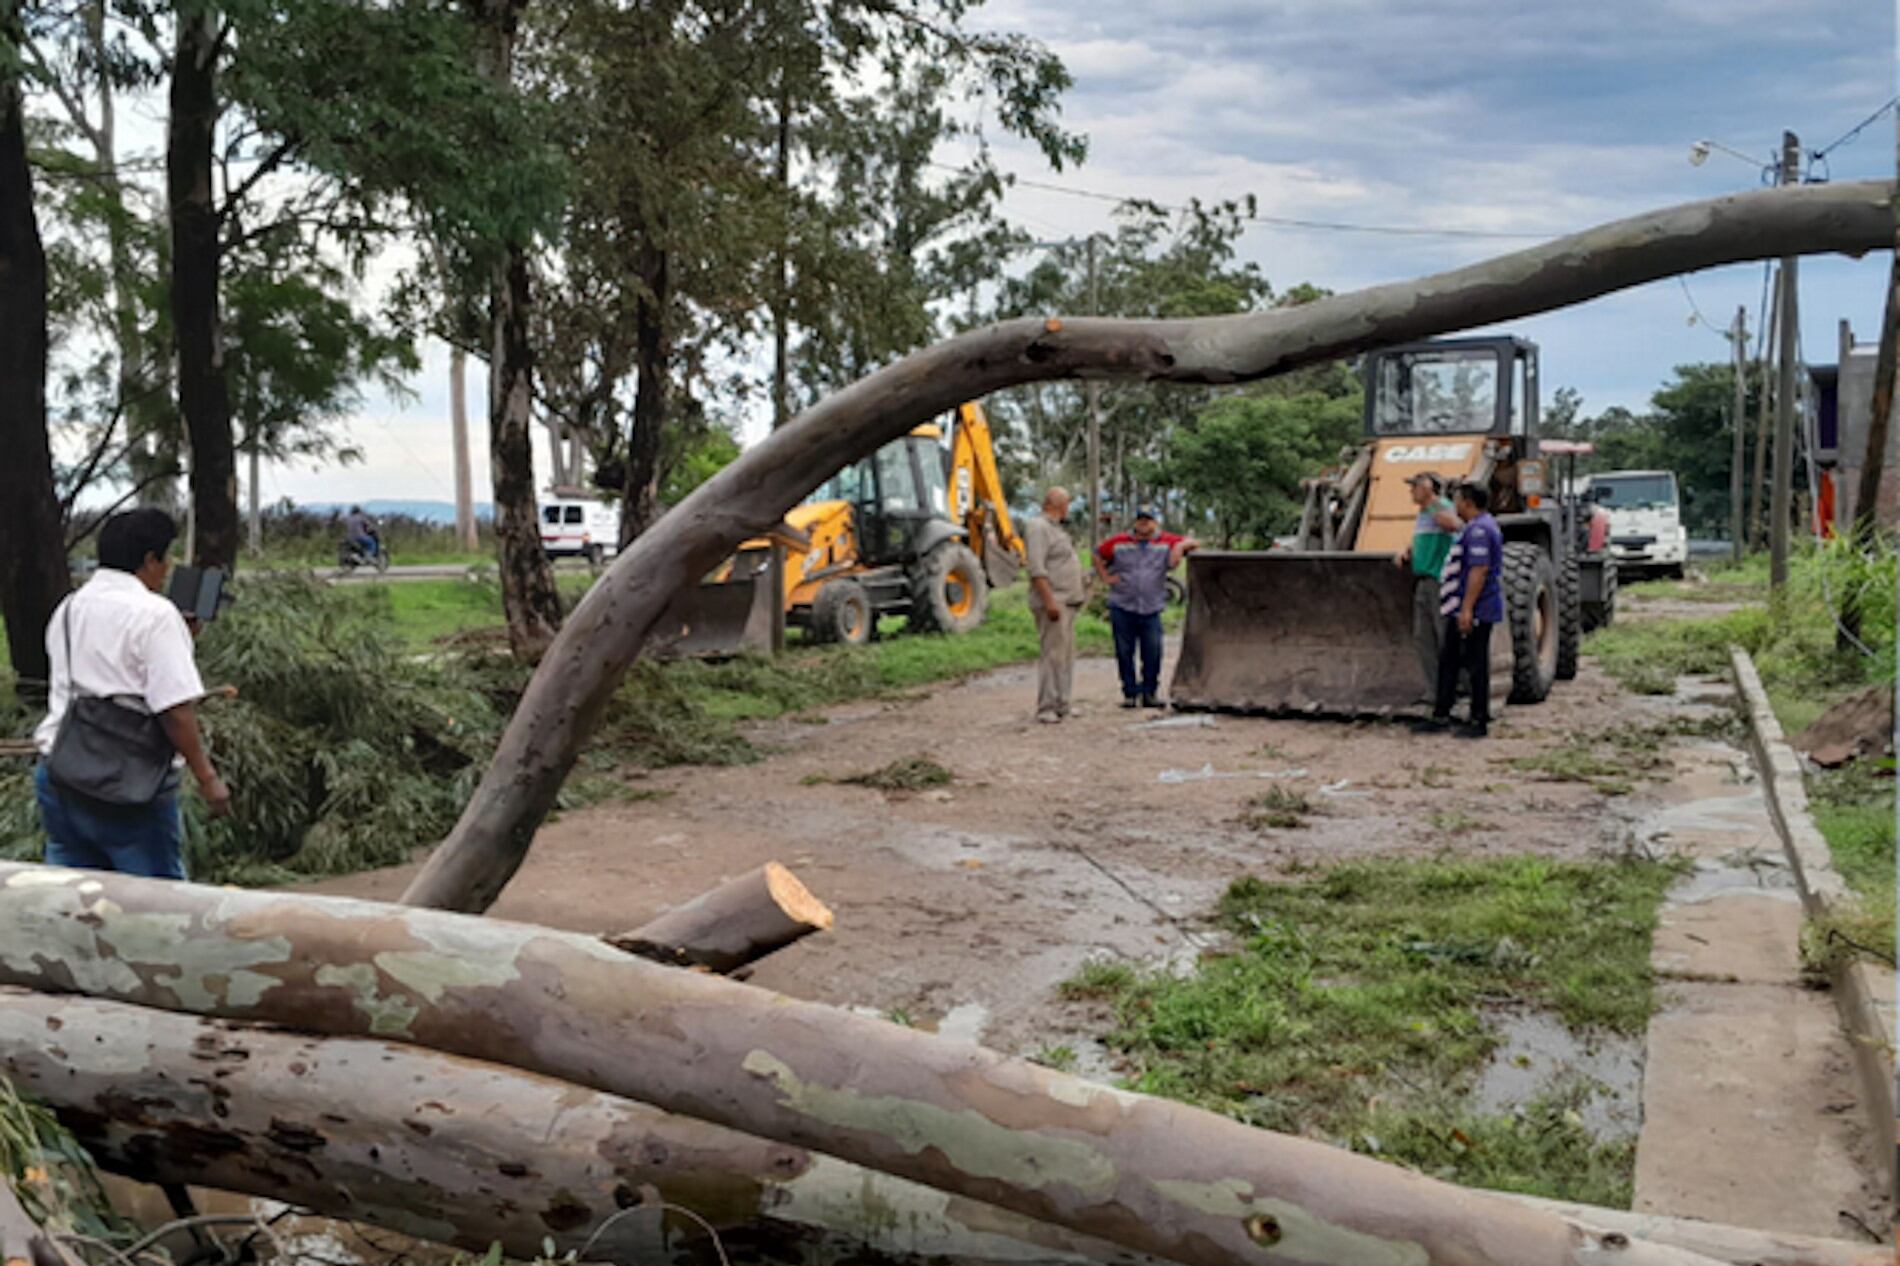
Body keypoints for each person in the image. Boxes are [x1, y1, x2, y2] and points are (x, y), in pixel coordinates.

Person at [34, 508, 232, 878]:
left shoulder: (68, 608)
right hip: (130, 785)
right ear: (149, 560)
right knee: (155, 908)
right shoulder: (156, 615)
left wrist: (179, 640)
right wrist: (208, 779)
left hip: (61, 773)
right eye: (166, 557)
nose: (169, 567)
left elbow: (105, 669)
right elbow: (175, 710)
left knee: (75, 903)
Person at [1417, 482, 1504, 740]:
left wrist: (1467, 610)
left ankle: (1478, 720)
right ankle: (1441, 713)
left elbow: (1478, 571)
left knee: (1475, 664)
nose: (1454, 505)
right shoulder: (1476, 527)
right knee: (1450, 659)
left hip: (1475, 608)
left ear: (1467, 502)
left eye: (1457, 500)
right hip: (1463, 606)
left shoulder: (1479, 531)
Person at [1094, 506, 1198, 708]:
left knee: (1153, 652)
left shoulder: (1165, 541)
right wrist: (1105, 577)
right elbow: (1097, 553)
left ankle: (1149, 693)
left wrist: (1179, 548)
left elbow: (1194, 543)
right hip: (1122, 605)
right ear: (1135, 523)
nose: (1144, 524)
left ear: (1155, 522)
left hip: (1151, 607)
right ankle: (1130, 694)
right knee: (1124, 652)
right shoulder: (1119, 542)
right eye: (1141, 520)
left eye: (1148, 520)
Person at [1022, 487, 1087, 724]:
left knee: (1066, 654)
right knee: (1052, 654)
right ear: (1056, 504)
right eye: (1066, 503)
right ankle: (1046, 706)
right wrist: (1049, 601)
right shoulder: (1038, 527)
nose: (1068, 507)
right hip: (1054, 600)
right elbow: (1036, 569)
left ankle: (1063, 703)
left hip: (1068, 601)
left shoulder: (1056, 529)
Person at [1393, 472, 1461, 695]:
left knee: (1444, 638)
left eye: (1415, 487)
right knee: (1423, 638)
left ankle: (1454, 689)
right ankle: (1436, 691)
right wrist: (1407, 550)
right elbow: (1423, 537)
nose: (1411, 492)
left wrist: (1434, 508)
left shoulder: (1440, 507)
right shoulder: (1423, 514)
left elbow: (1455, 526)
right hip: (1423, 580)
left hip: (1439, 581)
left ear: (1428, 488)